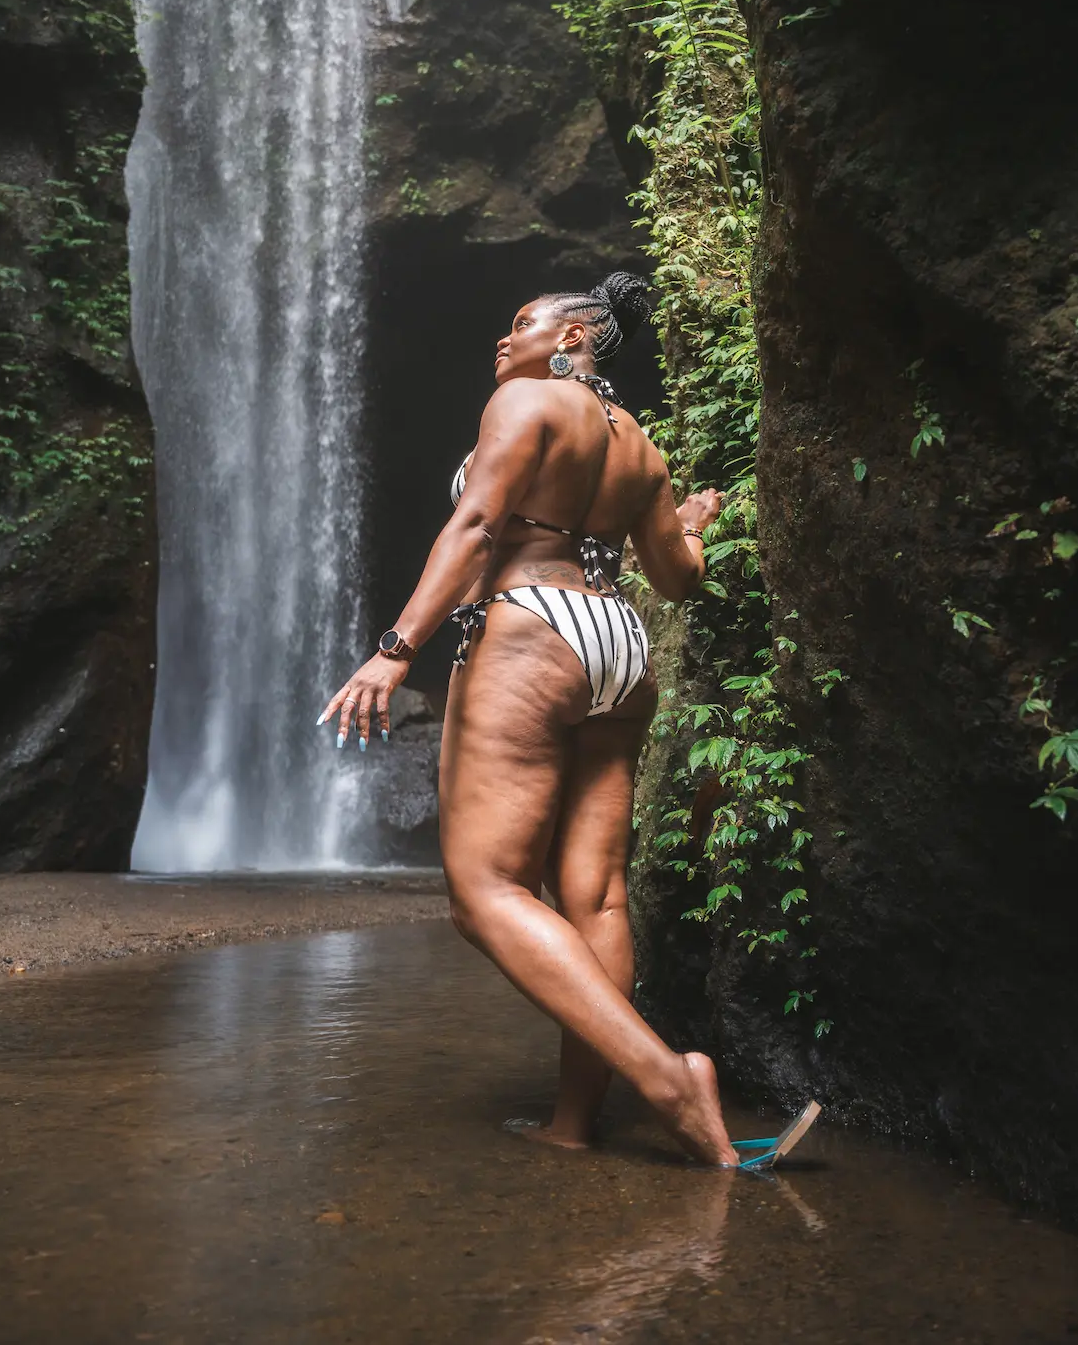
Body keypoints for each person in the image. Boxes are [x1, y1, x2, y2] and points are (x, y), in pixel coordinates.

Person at [320, 273, 815, 1168]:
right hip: (619, 642)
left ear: (574, 337)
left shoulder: (526, 401)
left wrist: (396, 648)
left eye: (523, 324)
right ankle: (574, 1123)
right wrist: (692, 525)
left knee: (485, 894)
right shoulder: (640, 444)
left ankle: (670, 1082)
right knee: (596, 898)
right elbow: (677, 578)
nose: (504, 341)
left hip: (531, 631)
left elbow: (478, 525)